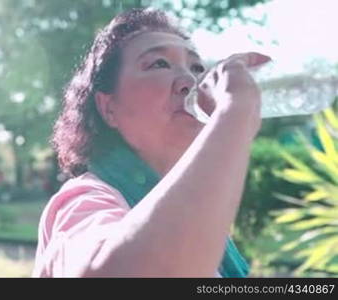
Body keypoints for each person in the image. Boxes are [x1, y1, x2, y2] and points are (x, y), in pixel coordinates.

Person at [32, 8, 271, 277]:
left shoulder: (196, 215)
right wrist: (234, 113)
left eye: (196, 68)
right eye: (159, 64)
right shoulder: (86, 200)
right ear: (108, 107)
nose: (190, 82)